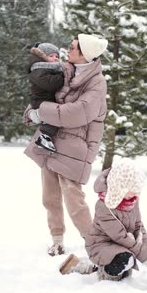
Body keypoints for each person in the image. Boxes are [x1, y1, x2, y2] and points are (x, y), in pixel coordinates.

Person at [24, 33, 108, 256]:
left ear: (84, 54)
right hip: (49, 141)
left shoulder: (96, 83)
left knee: (74, 199)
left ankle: (93, 243)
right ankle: (57, 239)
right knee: (49, 196)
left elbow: (75, 113)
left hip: (74, 146)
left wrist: (40, 112)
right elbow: (43, 94)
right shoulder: (65, 70)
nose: (67, 50)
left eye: (72, 48)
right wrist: (31, 112)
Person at [59, 158, 147, 281]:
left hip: (120, 245)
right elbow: (120, 237)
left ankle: (95, 267)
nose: (136, 194)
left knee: (125, 267)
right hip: (100, 245)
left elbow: (138, 225)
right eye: (132, 189)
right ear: (120, 187)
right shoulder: (104, 207)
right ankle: (90, 270)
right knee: (124, 260)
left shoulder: (132, 201)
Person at [28, 42, 64, 152]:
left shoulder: (49, 70)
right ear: (42, 57)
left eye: (57, 56)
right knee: (56, 116)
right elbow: (51, 84)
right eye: (51, 56)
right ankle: (44, 137)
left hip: (46, 101)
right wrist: (63, 76)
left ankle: (46, 137)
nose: (55, 59)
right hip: (40, 102)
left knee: (55, 118)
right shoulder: (38, 70)